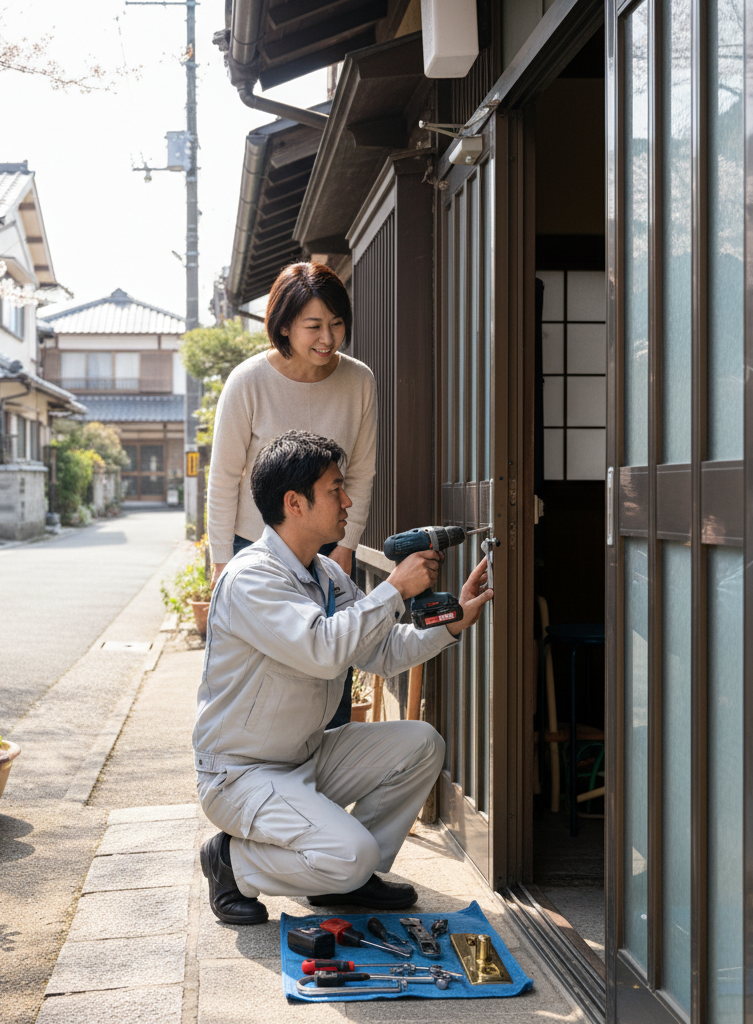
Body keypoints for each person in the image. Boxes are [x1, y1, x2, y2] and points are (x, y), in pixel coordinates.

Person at [194, 431, 493, 924]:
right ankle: (230, 862)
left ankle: (341, 883)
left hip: (305, 756)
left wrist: (451, 623)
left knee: (420, 744)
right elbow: (323, 649)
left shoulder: (327, 576)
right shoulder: (252, 578)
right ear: (295, 503)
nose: (348, 501)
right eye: (335, 489)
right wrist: (394, 589)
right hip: (242, 774)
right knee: (351, 854)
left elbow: (382, 651)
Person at [205, 262, 377, 729]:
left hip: (328, 549)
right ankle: (258, 780)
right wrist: (222, 562)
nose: (328, 337)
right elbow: (223, 476)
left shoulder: (359, 381)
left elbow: (359, 473)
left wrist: (345, 547)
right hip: (254, 549)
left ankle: (329, 776)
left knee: (332, 670)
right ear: (283, 325)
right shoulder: (249, 381)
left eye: (337, 323)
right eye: (314, 326)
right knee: (262, 678)